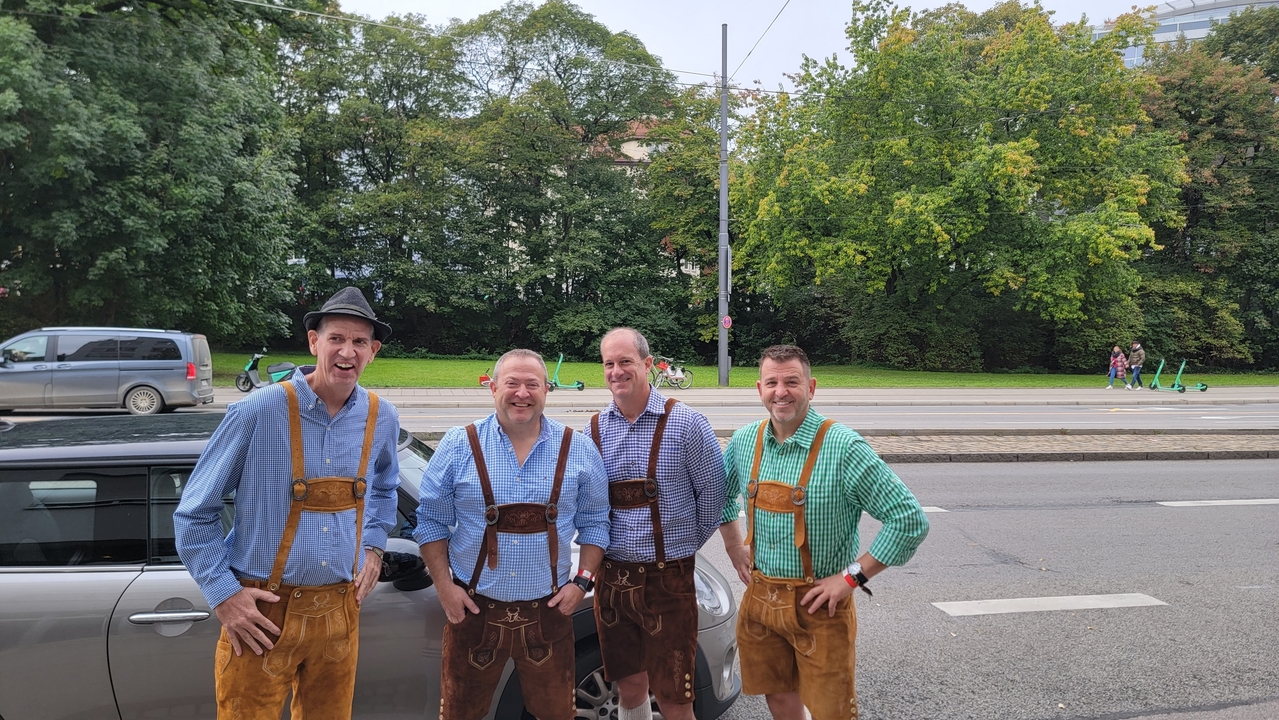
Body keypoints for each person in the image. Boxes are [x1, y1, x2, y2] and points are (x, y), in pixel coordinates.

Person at [175, 286, 400, 720]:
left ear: (373, 351)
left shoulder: (381, 415)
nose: (347, 351)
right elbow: (194, 513)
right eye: (336, 338)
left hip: (340, 611)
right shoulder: (258, 411)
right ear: (314, 342)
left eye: (359, 342)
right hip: (260, 615)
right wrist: (223, 595)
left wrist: (373, 546)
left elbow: (386, 488)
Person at [718, 345, 929, 720]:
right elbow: (715, 497)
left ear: (811, 388)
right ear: (759, 389)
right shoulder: (743, 442)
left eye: (791, 382)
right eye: (772, 382)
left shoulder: (844, 448)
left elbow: (908, 520)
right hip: (761, 600)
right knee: (779, 698)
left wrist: (851, 578)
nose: (780, 391)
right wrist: (734, 546)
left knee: (832, 711)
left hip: (820, 606)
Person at [416, 349, 610, 720]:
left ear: (546, 391)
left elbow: (597, 522)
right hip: (474, 611)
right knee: (460, 714)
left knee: (556, 714)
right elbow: (430, 522)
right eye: (512, 383)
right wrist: (444, 588)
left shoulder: (579, 449)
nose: (522, 393)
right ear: (492, 388)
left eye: (532, 384)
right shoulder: (459, 444)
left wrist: (581, 583)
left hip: (548, 613)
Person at [585, 328, 727, 720]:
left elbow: (714, 499)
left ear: (648, 364)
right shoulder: (594, 431)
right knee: (629, 687)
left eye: (625, 361)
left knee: (675, 697)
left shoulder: (687, 424)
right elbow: (589, 507)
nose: (617, 371)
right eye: (609, 364)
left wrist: (680, 551)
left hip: (669, 580)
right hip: (613, 580)